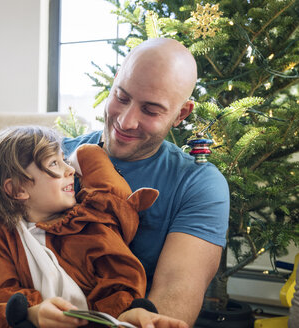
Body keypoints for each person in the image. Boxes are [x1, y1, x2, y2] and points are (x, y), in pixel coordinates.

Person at [62, 37, 230, 326]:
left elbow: (176, 294)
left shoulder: (199, 184)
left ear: (181, 114)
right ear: (114, 83)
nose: (126, 122)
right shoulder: (54, 156)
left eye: (151, 110)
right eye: (121, 97)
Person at [0, 125, 188, 328]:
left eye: (64, 159)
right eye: (54, 163)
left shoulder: (87, 224)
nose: (70, 169)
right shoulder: (3, 235)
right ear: (16, 190)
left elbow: (119, 279)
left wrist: (127, 314)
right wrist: (31, 313)